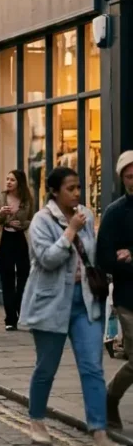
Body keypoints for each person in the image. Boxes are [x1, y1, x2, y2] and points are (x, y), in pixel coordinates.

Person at [21, 166, 125, 446]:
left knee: (93, 367)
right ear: (54, 191)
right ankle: (37, 420)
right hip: (50, 303)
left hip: (85, 302)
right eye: (71, 188)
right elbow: (47, 259)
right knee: (46, 367)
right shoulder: (41, 221)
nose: (77, 193)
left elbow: (93, 256)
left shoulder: (87, 215)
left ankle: (99, 433)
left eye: (79, 187)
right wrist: (70, 231)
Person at [99, 151, 133, 429]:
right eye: (130, 176)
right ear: (122, 178)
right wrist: (123, 261)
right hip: (128, 297)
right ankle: (110, 398)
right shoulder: (114, 213)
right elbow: (104, 258)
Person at [0, 169, 34, 331]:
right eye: (7, 179)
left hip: (21, 240)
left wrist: (22, 225)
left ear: (19, 183)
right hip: (4, 240)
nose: (8, 182)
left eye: (12, 180)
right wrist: (2, 216)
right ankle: (10, 319)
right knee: (7, 280)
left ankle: (21, 311)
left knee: (24, 276)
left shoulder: (27, 198)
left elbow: (32, 219)